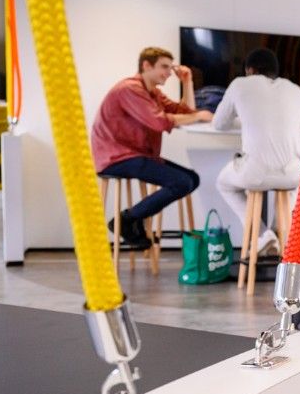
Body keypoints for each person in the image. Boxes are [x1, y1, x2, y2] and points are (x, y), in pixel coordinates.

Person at [91, 46, 213, 249]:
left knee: (192, 179)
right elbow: (160, 122)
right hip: (116, 158)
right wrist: (199, 116)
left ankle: (132, 220)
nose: (168, 73)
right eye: (164, 67)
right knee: (181, 182)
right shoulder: (129, 89)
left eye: (170, 67)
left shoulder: (153, 93)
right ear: (146, 66)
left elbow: (184, 112)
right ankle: (127, 220)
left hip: (137, 155)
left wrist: (187, 82)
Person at [212, 48, 300, 254]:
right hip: (294, 173)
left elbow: (219, 123)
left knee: (223, 183)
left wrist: (247, 120)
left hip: (254, 174)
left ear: (250, 69)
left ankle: (263, 234)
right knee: (291, 187)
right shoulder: (294, 89)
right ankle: (279, 231)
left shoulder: (239, 84)